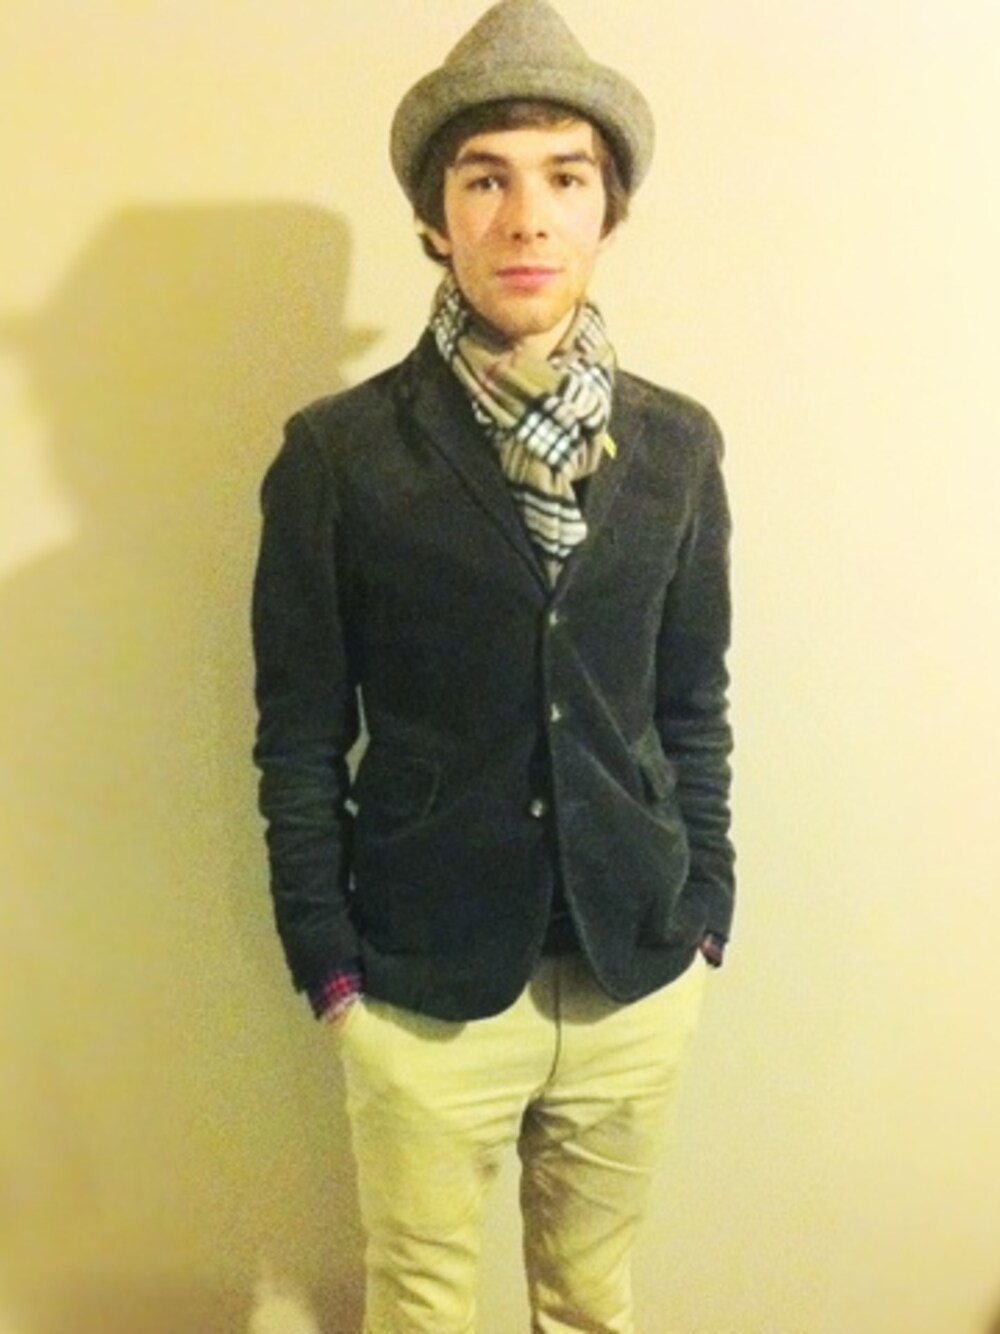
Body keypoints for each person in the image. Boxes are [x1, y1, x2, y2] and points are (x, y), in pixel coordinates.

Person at [251, 1, 735, 1329]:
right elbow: (298, 736)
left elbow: (692, 702)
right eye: (486, 180)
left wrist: (706, 908)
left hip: (636, 964)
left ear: (607, 213)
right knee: (422, 1308)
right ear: (436, 217)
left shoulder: (678, 446)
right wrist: (329, 967)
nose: (527, 219)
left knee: (590, 1302)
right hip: (422, 989)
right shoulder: (339, 456)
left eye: (564, 178)